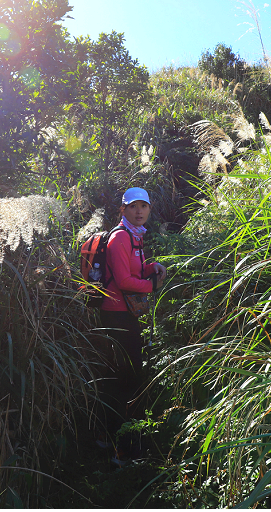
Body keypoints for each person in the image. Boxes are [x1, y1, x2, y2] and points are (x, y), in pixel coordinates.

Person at [96, 187, 167, 464]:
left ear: (149, 210)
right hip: (116, 316)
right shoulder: (121, 238)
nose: (139, 211)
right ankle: (125, 451)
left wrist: (151, 267)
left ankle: (105, 437)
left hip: (123, 314)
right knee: (129, 379)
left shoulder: (134, 237)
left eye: (144, 206)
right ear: (123, 209)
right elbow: (124, 281)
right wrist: (151, 285)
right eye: (133, 206)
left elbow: (131, 270)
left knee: (118, 377)